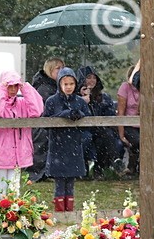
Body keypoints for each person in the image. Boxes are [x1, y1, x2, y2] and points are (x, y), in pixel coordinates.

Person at [0, 70, 44, 196]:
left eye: (15, 86)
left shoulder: (22, 103)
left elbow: (37, 110)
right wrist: (1, 88)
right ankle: (0, 214)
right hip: (1, 152)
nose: (13, 89)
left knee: (14, 189)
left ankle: (13, 214)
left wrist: (25, 88)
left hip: (19, 153)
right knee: (1, 188)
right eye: (9, 86)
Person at [42, 67, 90, 214]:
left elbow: (89, 120)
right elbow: (45, 122)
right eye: (65, 84)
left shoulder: (80, 102)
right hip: (57, 145)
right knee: (59, 182)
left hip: (74, 145)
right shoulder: (52, 101)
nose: (68, 87)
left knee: (70, 182)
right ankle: (59, 212)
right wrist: (64, 115)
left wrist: (79, 115)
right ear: (59, 84)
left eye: (71, 84)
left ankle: (69, 212)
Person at [77, 65, 121, 178]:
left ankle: (103, 166)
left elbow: (110, 115)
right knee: (88, 138)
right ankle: (83, 169)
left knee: (106, 136)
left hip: (101, 129)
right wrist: (84, 99)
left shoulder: (104, 97)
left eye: (94, 78)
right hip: (82, 129)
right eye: (88, 77)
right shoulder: (76, 97)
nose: (92, 80)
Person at [28, 57, 64, 181]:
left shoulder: (56, 86)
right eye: (58, 68)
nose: (61, 71)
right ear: (50, 70)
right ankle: (37, 174)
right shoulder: (44, 87)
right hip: (41, 124)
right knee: (40, 148)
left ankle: (46, 173)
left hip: (51, 123)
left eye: (62, 68)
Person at [116, 61, 141, 177]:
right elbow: (120, 112)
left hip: (143, 124)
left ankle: (141, 169)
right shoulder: (125, 87)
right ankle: (131, 167)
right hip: (129, 124)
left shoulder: (147, 88)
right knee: (137, 141)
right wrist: (121, 135)